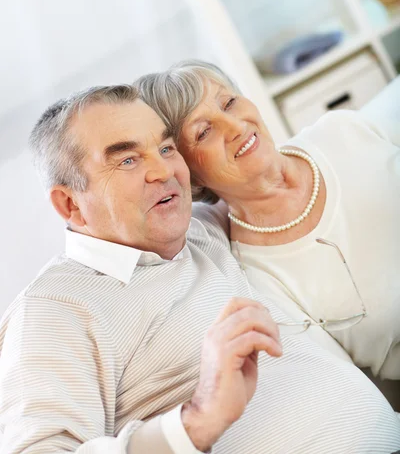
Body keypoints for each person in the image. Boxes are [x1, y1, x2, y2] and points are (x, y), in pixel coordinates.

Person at [1, 84, 400, 454]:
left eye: (167, 148)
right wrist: (197, 418)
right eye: (126, 160)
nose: (163, 171)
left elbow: (268, 173)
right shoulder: (53, 309)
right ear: (69, 205)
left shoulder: (202, 230)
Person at [137, 61, 400, 381]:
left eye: (230, 102)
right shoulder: (260, 281)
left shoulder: (341, 132)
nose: (234, 126)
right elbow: (352, 385)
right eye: (204, 131)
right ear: (188, 174)